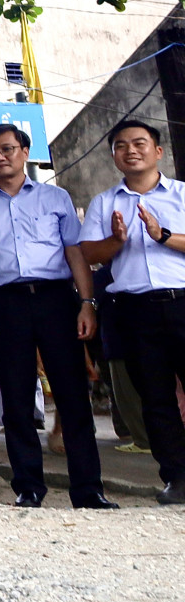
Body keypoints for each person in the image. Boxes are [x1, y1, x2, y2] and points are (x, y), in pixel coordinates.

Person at [0, 124, 117, 509]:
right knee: (15, 397)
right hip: (7, 304)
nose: (0, 156)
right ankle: (28, 487)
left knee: (73, 394)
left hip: (56, 301)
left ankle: (88, 490)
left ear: (25, 152)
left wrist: (86, 303)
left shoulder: (56, 198)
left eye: (8, 148)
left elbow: (74, 253)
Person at [80, 118, 185, 506]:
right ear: (114, 156)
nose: (131, 150)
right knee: (154, 398)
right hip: (135, 310)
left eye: (140, 143)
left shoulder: (181, 195)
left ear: (158, 151)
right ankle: (176, 476)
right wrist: (116, 240)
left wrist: (161, 235)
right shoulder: (104, 203)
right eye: (121, 145)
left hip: (183, 301)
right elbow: (89, 254)